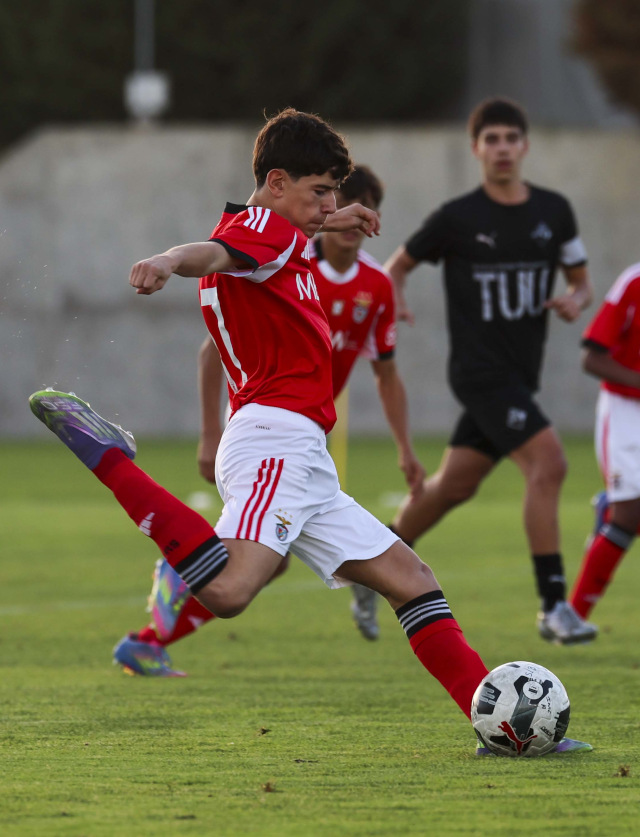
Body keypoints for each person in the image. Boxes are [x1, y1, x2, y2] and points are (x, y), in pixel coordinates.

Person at [29, 109, 498, 750]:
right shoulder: (261, 236)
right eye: (321, 191)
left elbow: (249, 243)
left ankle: (498, 727)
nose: (333, 204)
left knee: (413, 580)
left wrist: (329, 216)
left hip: (298, 453)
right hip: (276, 439)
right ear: (276, 182)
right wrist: (168, 258)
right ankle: (111, 459)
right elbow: (211, 254)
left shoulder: (269, 231)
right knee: (227, 590)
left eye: (336, 193)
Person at [112, 165, 427, 676]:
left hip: (304, 434)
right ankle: (171, 553)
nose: (336, 210)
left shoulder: (373, 282)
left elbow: (386, 375)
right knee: (236, 581)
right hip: (269, 428)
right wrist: (210, 433)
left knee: (278, 567)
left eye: (350, 205)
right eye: (326, 195)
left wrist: (405, 450)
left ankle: (153, 638)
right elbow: (213, 340)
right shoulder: (282, 252)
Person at [384, 97, 598, 645]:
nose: (502, 148)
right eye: (491, 139)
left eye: (511, 138)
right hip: (479, 373)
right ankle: (554, 607)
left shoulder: (555, 211)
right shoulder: (457, 219)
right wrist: (396, 299)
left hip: (519, 377)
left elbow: (580, 280)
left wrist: (577, 298)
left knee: (454, 486)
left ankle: (372, 559)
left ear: (524, 146)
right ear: (476, 148)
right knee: (548, 465)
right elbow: (396, 267)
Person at [569, 261, 640, 619]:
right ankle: (572, 617)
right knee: (629, 514)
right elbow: (592, 358)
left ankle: (608, 512)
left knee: (628, 516)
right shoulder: (634, 282)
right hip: (628, 411)